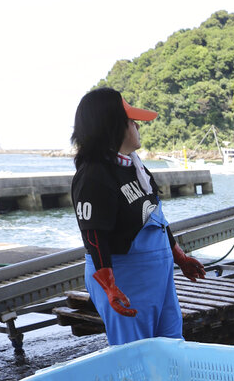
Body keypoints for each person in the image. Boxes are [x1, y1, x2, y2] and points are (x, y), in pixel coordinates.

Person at [71, 87, 205, 346]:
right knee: (135, 353)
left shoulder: (136, 166)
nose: (136, 125)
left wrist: (179, 255)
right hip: (126, 277)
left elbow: (155, 215)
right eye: (130, 120)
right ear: (112, 125)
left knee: (172, 345)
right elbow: (93, 233)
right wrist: (109, 285)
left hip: (158, 272)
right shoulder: (94, 175)